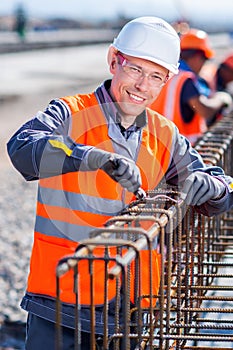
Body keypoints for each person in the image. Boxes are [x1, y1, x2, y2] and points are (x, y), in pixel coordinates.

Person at [7, 16, 233, 350]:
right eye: (135, 70)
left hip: (133, 312)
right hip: (61, 308)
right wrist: (90, 157)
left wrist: (212, 188)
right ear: (114, 61)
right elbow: (22, 147)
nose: (143, 86)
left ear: (167, 80)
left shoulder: (164, 135)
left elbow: (222, 189)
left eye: (156, 76)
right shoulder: (71, 113)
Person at [150, 28, 232, 145]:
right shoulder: (185, 79)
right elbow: (205, 110)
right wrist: (221, 99)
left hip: (158, 144)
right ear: (197, 56)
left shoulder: (166, 74)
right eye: (204, 59)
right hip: (179, 150)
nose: (204, 64)